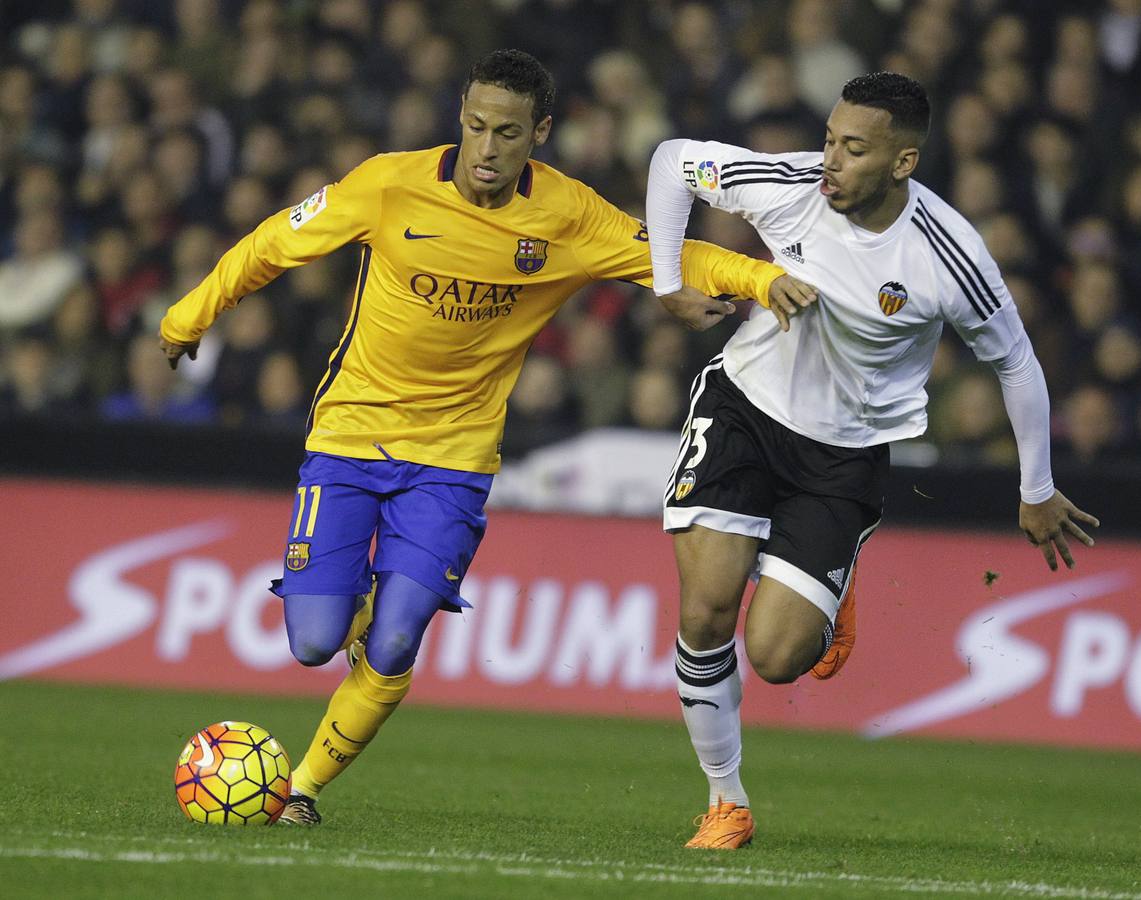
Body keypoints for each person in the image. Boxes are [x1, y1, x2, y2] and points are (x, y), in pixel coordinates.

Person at [159, 49, 809, 826]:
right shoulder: (387, 185)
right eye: (474, 126)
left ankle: (299, 790)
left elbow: (674, 254)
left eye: (507, 131)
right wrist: (186, 317)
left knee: (396, 642)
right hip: (349, 438)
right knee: (314, 641)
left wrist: (764, 281)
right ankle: (360, 599)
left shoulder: (566, 216)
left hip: (454, 460)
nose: (487, 148)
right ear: (459, 120)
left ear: (540, 132)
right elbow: (272, 243)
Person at [645, 71, 1100, 850]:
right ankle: (727, 801)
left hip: (843, 456)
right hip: (745, 410)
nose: (830, 161)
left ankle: (824, 587)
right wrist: (666, 286)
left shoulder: (948, 252)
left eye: (853, 149)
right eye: (829, 139)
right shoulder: (788, 185)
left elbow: (1016, 363)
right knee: (705, 610)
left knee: (778, 656)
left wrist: (1037, 488)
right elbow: (670, 160)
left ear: (903, 162)